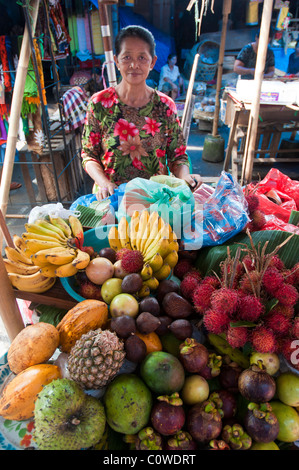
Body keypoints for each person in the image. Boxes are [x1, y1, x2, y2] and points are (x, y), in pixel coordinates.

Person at [81, 25, 201, 201]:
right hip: (111, 199)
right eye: (127, 57)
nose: (134, 65)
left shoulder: (165, 105)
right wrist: (104, 182)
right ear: (116, 60)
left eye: (142, 58)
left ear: (152, 62)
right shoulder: (99, 103)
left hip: (156, 200)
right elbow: (89, 155)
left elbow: (178, 155)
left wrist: (185, 177)